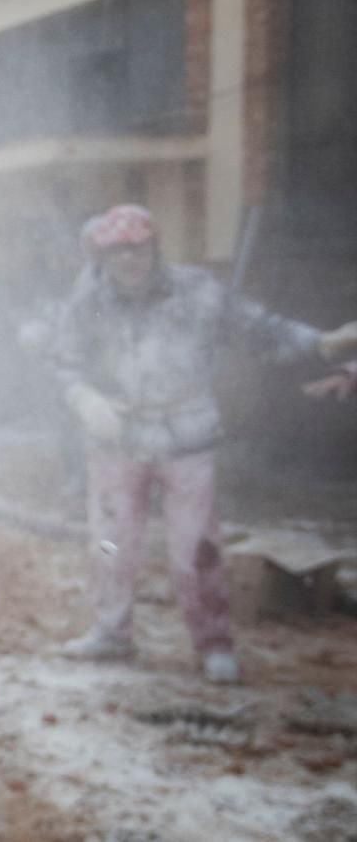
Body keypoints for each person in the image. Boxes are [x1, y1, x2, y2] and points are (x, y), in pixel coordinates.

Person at [49, 205, 357, 684]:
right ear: (101, 257)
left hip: (186, 436)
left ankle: (213, 641)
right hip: (116, 437)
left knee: (196, 548)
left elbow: (260, 331)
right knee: (110, 544)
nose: (129, 261)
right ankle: (111, 633)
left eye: (138, 248)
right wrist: (82, 396)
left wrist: (322, 344)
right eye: (117, 252)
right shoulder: (87, 299)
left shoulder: (197, 293)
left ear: (155, 248)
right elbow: (63, 360)